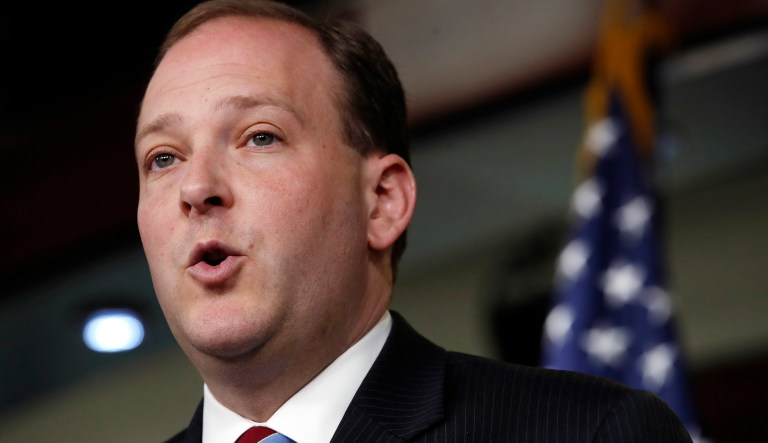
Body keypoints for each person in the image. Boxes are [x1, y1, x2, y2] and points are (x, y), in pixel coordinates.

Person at [134, 1, 693, 442]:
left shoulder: (589, 433)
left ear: (382, 202)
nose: (196, 188)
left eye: (260, 137)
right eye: (163, 157)